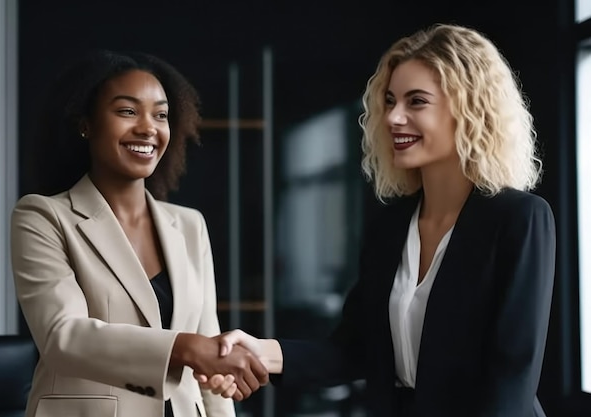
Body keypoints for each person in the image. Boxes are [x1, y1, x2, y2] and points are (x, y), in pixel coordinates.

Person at [197, 23, 556, 416]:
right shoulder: (391, 225)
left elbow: (512, 377)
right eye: (389, 101)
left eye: (416, 102)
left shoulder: (519, 219)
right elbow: (352, 349)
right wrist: (259, 351)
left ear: (469, 108)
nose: (392, 117)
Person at [10, 49, 268, 417]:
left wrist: (214, 371)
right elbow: (63, 338)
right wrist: (185, 348)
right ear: (87, 123)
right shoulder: (43, 217)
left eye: (161, 115)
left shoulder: (190, 225)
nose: (148, 128)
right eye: (127, 111)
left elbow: (210, 346)